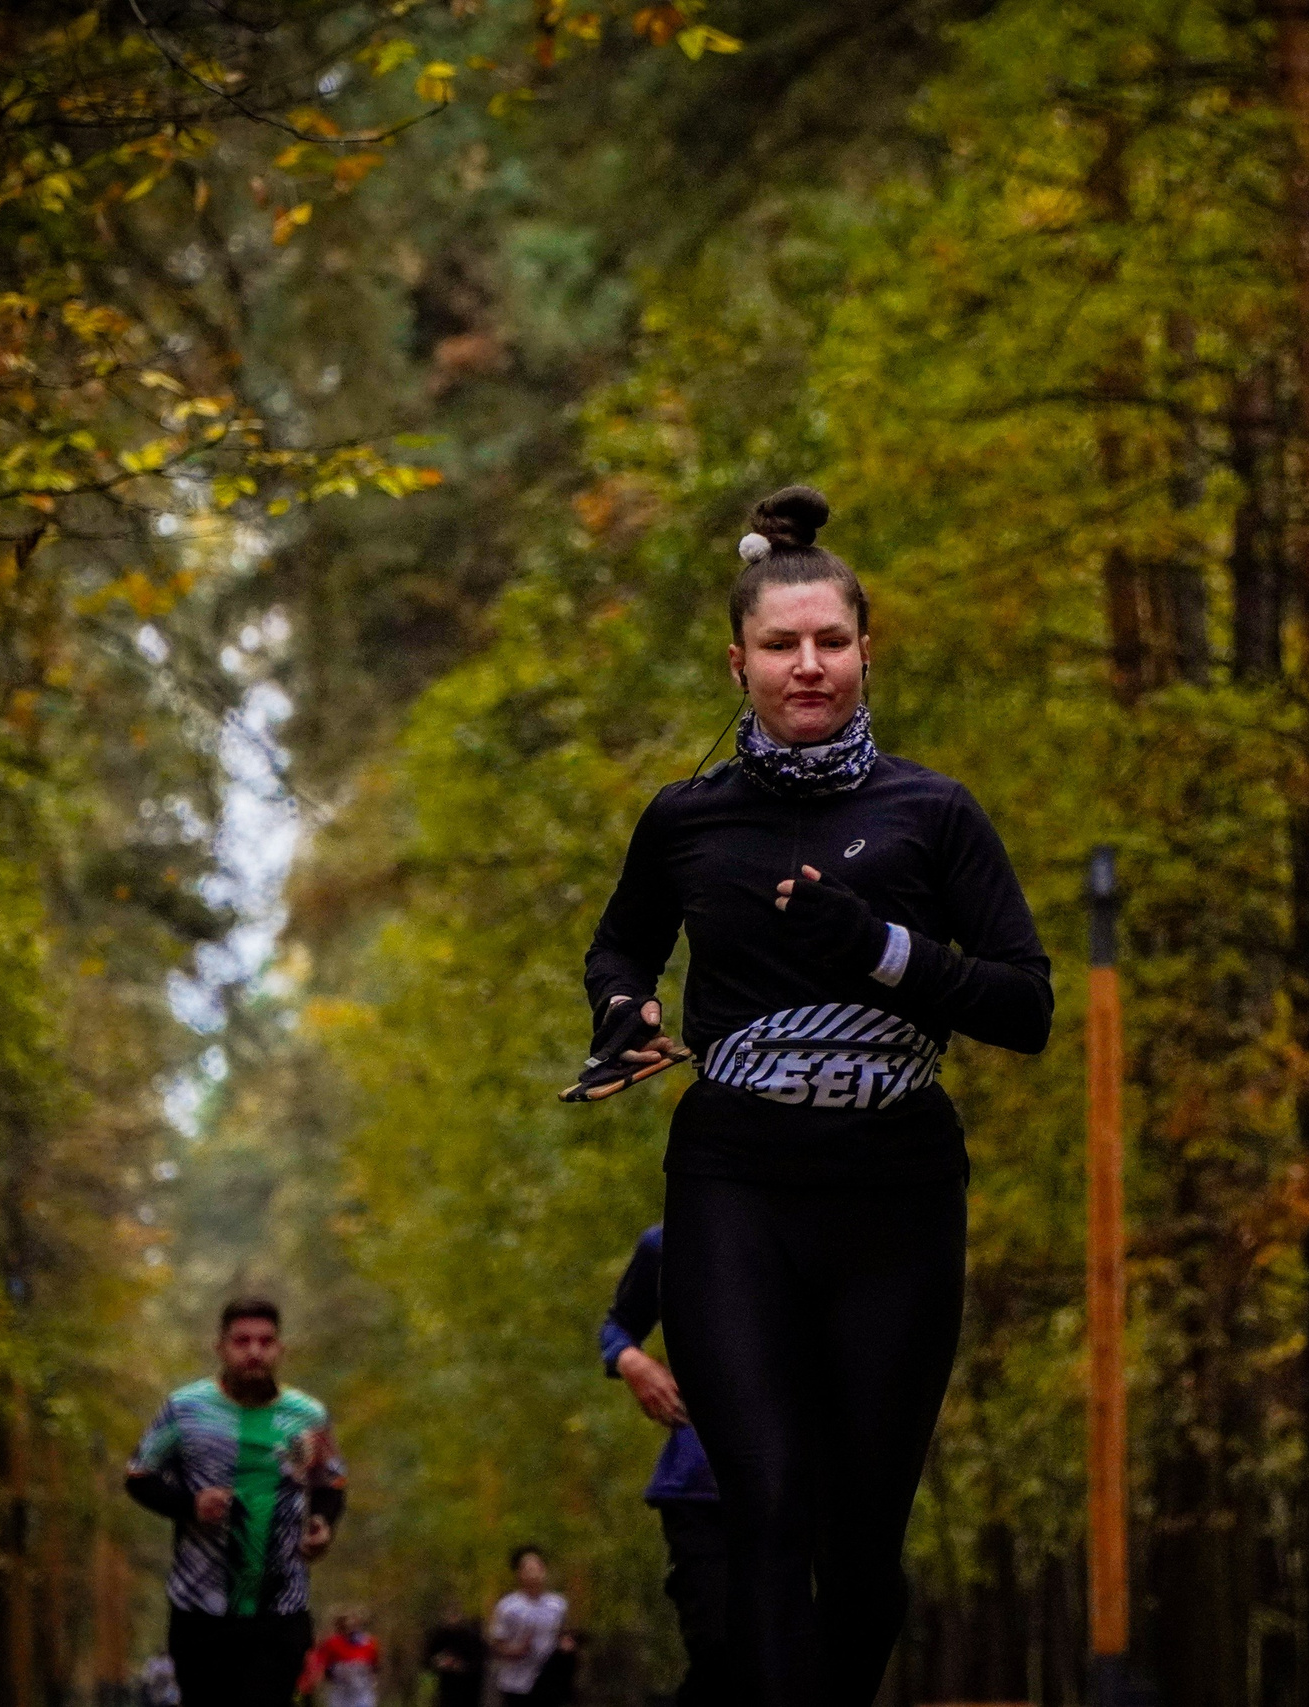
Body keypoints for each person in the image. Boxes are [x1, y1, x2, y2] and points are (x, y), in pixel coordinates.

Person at [565, 486, 1053, 1705]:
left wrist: (879, 950)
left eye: (831, 641)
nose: (809, 665)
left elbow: (1026, 1006)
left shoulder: (932, 813)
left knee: (861, 1538)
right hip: (734, 1184)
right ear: (737, 663)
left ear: (865, 652)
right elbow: (620, 946)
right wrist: (624, 1009)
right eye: (781, 644)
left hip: (896, 1190)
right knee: (769, 1505)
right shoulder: (686, 819)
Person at [126, 1298, 347, 1707]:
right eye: (242, 1341)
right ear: (220, 1348)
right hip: (201, 1609)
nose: (254, 1352)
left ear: (280, 1349)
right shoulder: (185, 1408)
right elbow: (139, 1476)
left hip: (281, 1609)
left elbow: (332, 1482)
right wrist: (191, 1505)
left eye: (265, 1341)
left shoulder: (308, 1416)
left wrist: (322, 1523)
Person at [600, 1224, 731, 1706]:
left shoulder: (822, 1228)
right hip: (700, 1488)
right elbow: (618, 1326)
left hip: (800, 1485)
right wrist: (631, 1360)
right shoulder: (671, 1241)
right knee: (719, 1652)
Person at [489, 1546, 570, 1704]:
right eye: (529, 1569)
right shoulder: (508, 1607)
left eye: (538, 1568)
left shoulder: (557, 1605)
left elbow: (561, 1633)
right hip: (516, 1682)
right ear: (519, 1574)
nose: (534, 1574)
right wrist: (515, 1651)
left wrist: (565, 1644)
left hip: (549, 1679)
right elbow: (496, 1644)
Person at [424, 1601, 489, 1707]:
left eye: (455, 1614)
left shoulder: (471, 1636)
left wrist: (461, 1666)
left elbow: (479, 1661)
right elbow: (428, 1659)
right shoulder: (439, 1635)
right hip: (447, 1688)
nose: (452, 1618)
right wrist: (439, 1663)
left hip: (469, 1689)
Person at [312, 1611, 381, 1707]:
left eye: (354, 1625)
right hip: (340, 1693)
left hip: (362, 1692)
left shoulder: (369, 1643)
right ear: (340, 1627)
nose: (351, 1629)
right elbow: (325, 1668)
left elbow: (374, 1666)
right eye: (347, 1626)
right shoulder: (332, 1644)